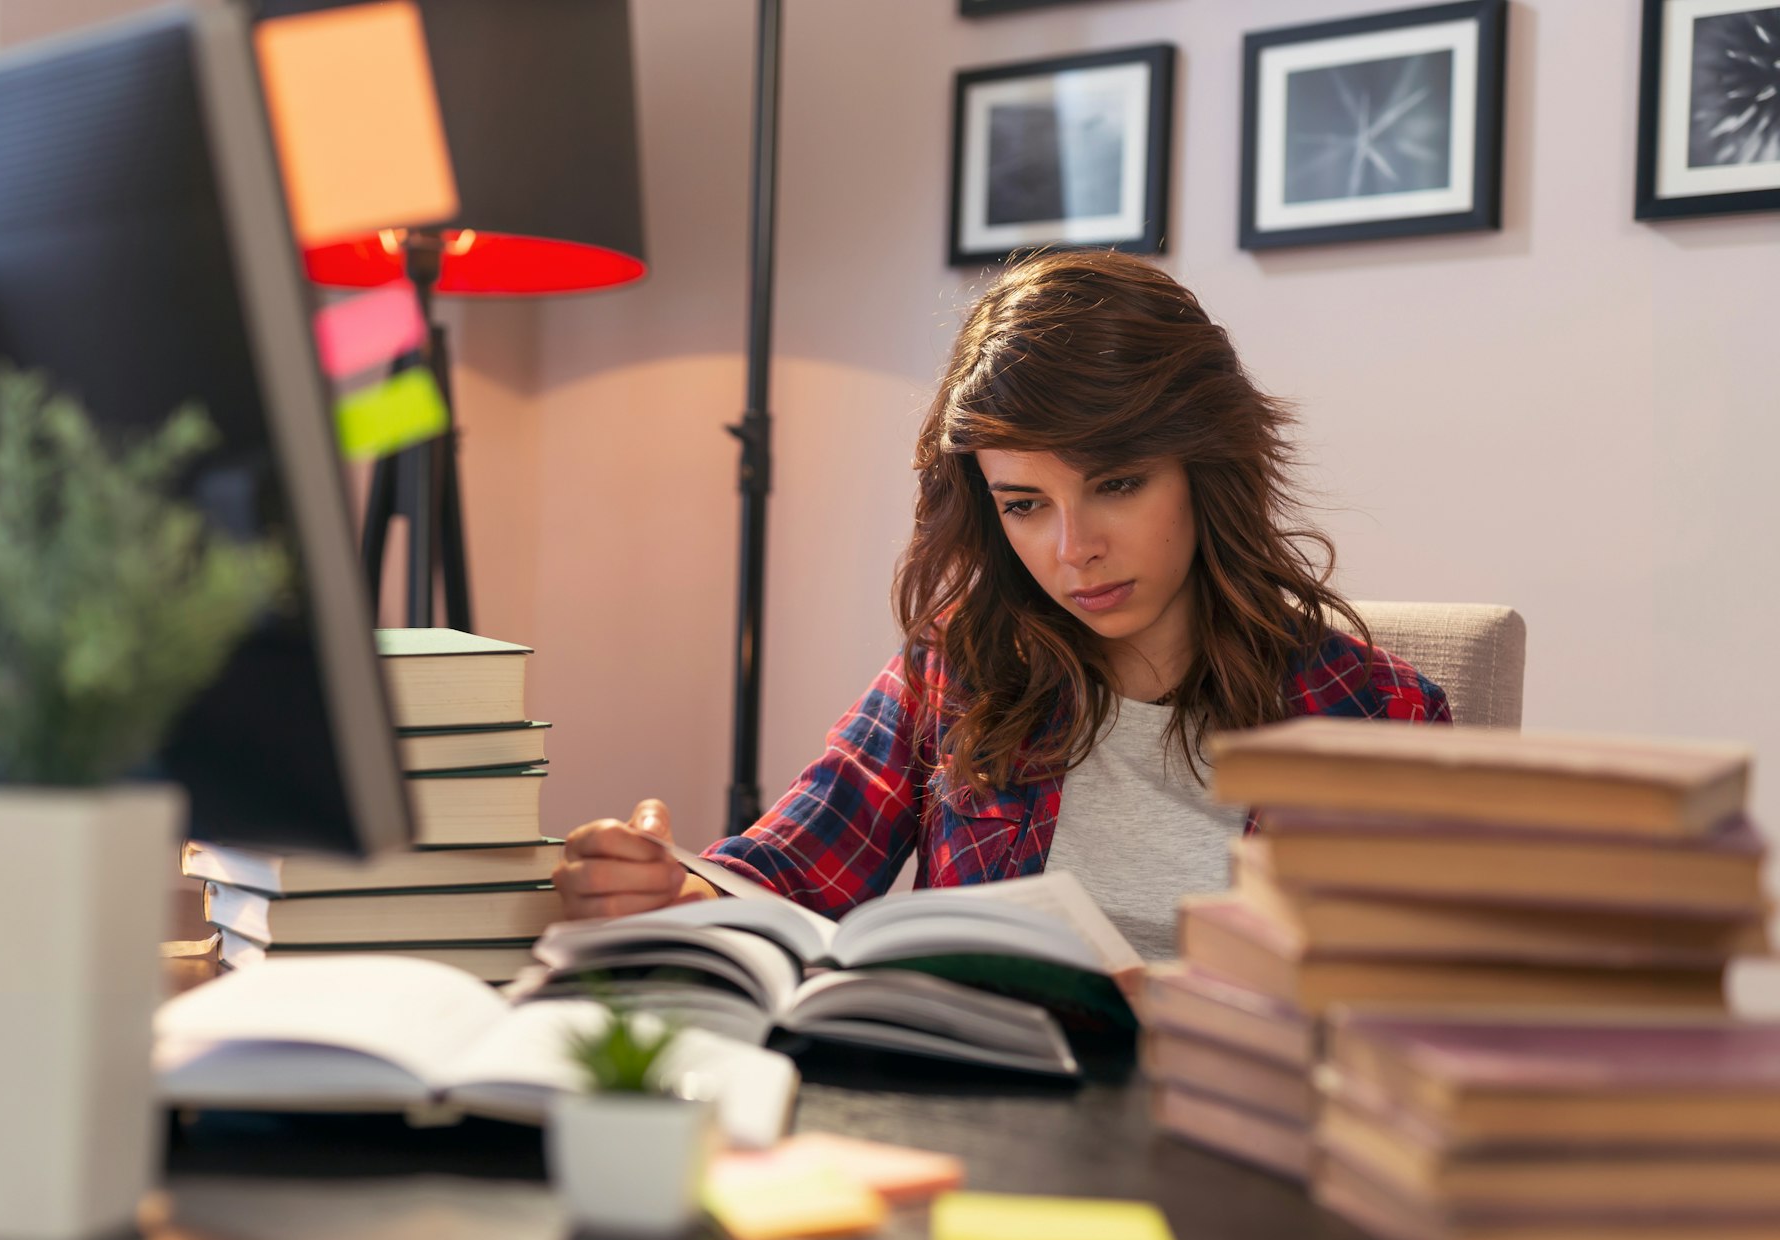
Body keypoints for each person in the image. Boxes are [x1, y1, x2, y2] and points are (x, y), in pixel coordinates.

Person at [555, 249, 1450, 958]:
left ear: (1204, 467)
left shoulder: (1381, 714)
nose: (1074, 549)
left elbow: (1417, 1003)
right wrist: (669, 885)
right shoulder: (962, 665)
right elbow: (784, 871)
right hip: (979, 1121)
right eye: (1024, 504)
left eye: (1118, 483)